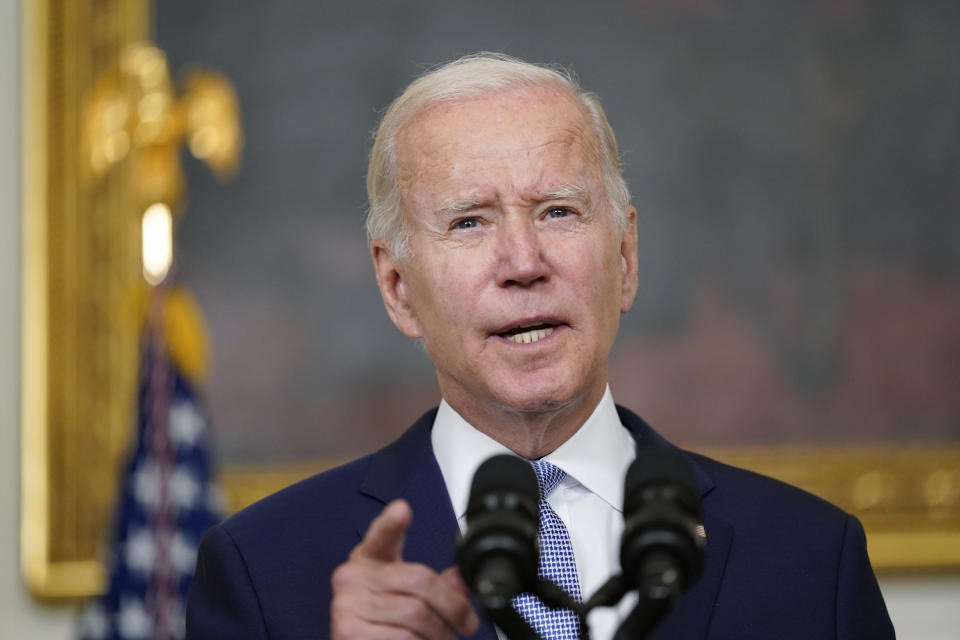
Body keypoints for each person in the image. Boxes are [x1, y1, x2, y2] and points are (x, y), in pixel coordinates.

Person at [185, 53, 894, 640]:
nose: (523, 261)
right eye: (469, 222)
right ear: (398, 287)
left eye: (558, 211)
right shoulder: (264, 571)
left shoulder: (809, 559)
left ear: (624, 257)